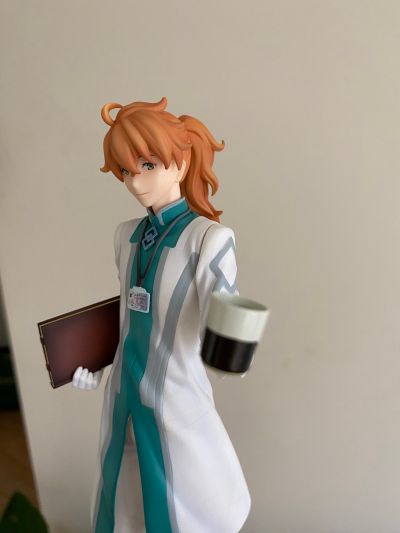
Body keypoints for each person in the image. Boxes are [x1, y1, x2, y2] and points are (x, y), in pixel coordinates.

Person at [72, 97, 251, 532]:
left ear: (182, 162)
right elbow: (126, 314)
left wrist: (232, 344)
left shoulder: (208, 239)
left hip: (176, 402)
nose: (136, 182)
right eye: (125, 171)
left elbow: (227, 322)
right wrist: (96, 363)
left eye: (147, 166)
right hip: (122, 395)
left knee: (186, 508)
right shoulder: (126, 237)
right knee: (121, 503)